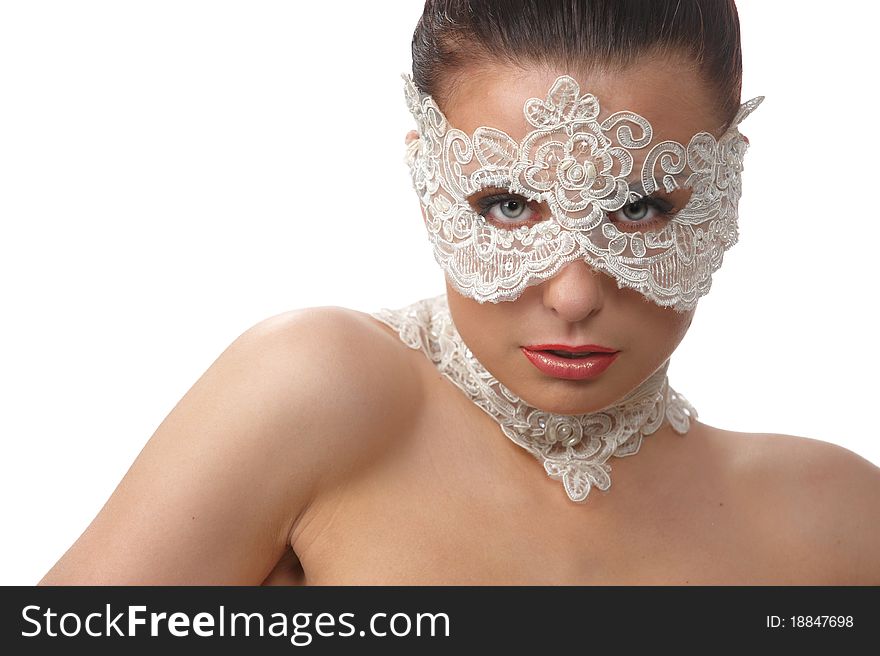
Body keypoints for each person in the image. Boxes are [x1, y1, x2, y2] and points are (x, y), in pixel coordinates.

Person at [39, 0, 880, 586]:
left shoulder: (837, 522)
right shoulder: (318, 391)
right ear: (430, 177)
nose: (576, 293)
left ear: (725, 183)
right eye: (508, 204)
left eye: (639, 207)